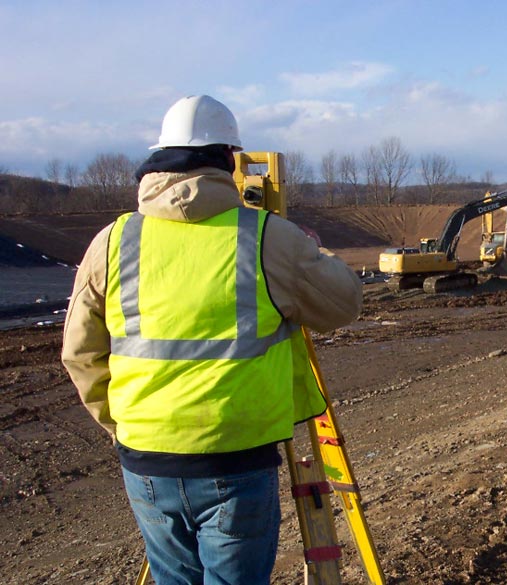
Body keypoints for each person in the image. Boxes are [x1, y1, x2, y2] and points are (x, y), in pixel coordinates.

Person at [61, 95, 363, 584]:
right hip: (235, 457)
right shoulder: (266, 236)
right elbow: (344, 303)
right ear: (228, 159)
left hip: (146, 459)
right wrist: (307, 249)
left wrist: (126, 424)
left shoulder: (112, 242)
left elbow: (79, 354)